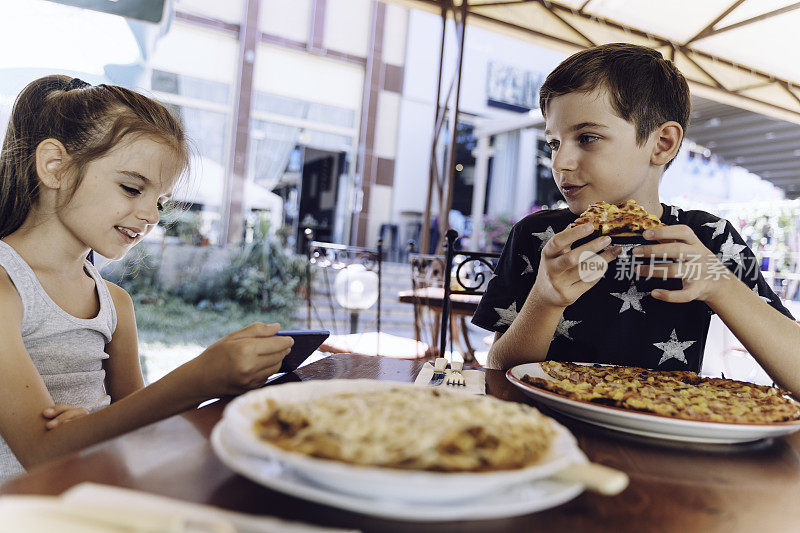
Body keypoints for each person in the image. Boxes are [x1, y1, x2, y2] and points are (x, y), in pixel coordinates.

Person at [0, 75, 293, 481]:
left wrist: (226, 381)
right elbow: (42, 451)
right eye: (131, 188)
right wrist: (198, 377)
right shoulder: (6, 292)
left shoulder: (115, 304)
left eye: (158, 200)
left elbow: (142, 425)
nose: (152, 216)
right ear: (55, 166)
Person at [472, 44, 800, 394]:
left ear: (662, 143)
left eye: (587, 138)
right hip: (547, 430)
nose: (560, 162)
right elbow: (497, 368)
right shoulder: (538, 236)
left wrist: (721, 285)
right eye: (554, 143)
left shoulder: (708, 239)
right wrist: (544, 300)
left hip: (665, 430)